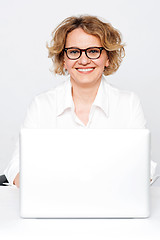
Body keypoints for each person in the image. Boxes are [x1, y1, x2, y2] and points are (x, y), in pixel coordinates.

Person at [4, 15, 157, 188]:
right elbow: (16, 166)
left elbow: (144, 167)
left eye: (93, 51)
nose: (83, 60)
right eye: (74, 52)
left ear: (107, 58)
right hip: (54, 203)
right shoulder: (42, 105)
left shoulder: (128, 103)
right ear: (64, 59)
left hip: (110, 204)